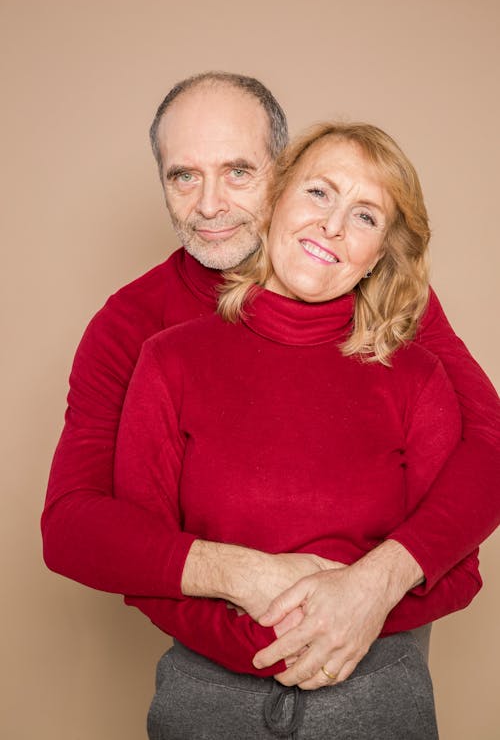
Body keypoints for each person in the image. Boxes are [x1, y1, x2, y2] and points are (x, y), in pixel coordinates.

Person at [42, 72, 500, 692]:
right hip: (210, 673)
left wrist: (374, 582)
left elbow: (489, 445)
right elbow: (73, 524)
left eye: (238, 172)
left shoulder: (381, 297)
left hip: (375, 671)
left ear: (283, 175)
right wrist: (239, 574)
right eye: (184, 176)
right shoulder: (133, 327)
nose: (209, 206)